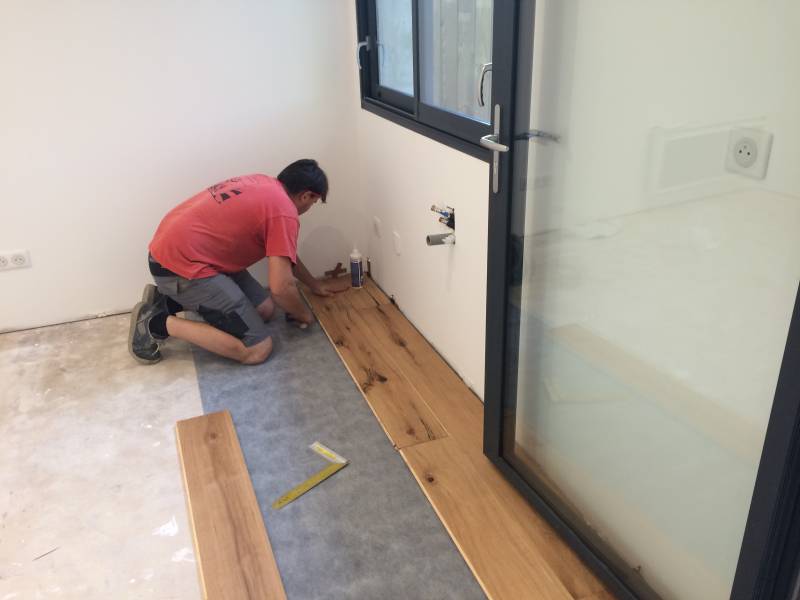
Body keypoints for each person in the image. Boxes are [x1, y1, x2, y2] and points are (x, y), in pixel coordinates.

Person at [128, 159, 338, 365]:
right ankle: (154, 322)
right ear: (306, 195)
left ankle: (166, 300)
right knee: (257, 349)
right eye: (314, 202)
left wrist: (314, 284)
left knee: (265, 309)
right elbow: (281, 289)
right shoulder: (284, 212)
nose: (311, 206)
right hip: (179, 266)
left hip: (185, 251)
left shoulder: (265, 185)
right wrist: (303, 314)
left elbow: (285, 254)